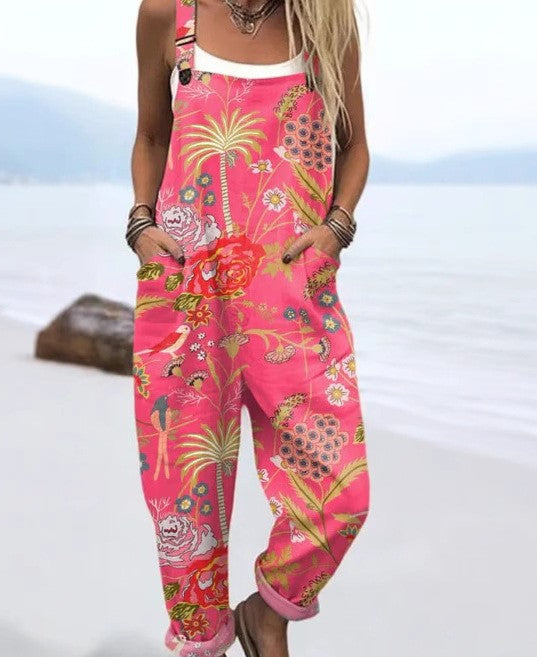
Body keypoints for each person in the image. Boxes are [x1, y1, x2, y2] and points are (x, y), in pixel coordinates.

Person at [127, 0, 370, 655]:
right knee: (186, 506)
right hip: (187, 292)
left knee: (339, 496)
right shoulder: (167, 15)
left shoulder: (325, 19)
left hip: (291, 294)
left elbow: (354, 146)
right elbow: (151, 137)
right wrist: (141, 224)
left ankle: (266, 613)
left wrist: (336, 229)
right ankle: (201, 639)